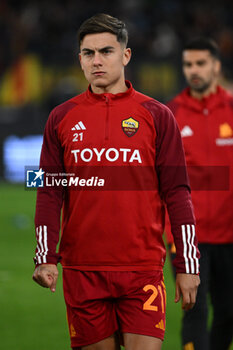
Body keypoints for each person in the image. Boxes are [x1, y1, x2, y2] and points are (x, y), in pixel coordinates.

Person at [32, 13, 200, 350]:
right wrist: (44, 256)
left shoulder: (157, 115)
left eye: (106, 51)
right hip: (83, 271)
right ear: (79, 59)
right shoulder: (60, 118)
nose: (97, 61)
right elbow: (49, 191)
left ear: (126, 55)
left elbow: (178, 193)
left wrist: (187, 264)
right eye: (88, 53)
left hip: (142, 270)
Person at [165, 37, 233, 350]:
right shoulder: (170, 114)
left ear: (216, 67)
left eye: (201, 63)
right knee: (195, 309)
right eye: (188, 64)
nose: (194, 70)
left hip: (229, 234)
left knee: (228, 313)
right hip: (187, 236)